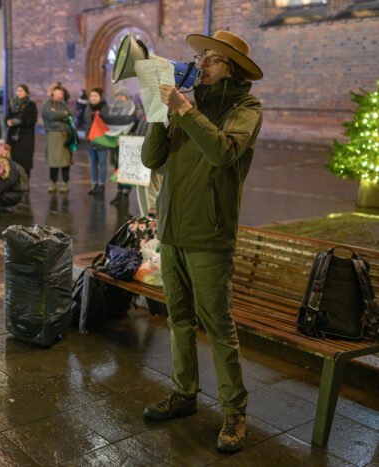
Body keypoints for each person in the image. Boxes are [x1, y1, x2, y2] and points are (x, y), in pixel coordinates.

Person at [140, 30, 263, 453]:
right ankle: (183, 394)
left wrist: (186, 110)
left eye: (213, 60)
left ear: (233, 69)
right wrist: (158, 110)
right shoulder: (186, 104)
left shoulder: (244, 107)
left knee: (217, 323)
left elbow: (223, 152)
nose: (203, 65)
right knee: (177, 318)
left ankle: (234, 411)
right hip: (172, 230)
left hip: (209, 234)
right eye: (203, 57)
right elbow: (151, 159)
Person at [107, 87, 137, 204]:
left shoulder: (131, 108)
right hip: (114, 140)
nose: (119, 97)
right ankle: (120, 190)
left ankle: (125, 190)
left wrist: (123, 135)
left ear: (127, 96)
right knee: (116, 165)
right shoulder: (113, 108)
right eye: (117, 95)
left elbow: (131, 123)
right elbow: (111, 122)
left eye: (122, 95)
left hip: (126, 141)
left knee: (125, 166)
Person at [42, 84, 72, 193]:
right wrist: (62, 115)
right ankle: (53, 182)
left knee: (65, 161)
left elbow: (69, 116)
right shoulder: (47, 104)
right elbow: (49, 115)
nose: (61, 94)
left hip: (64, 135)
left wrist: (59, 115)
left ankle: (65, 182)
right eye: (59, 92)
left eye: (62, 92)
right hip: (52, 135)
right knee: (53, 161)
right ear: (53, 92)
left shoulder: (64, 105)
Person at [6, 84, 37, 180]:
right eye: (18, 91)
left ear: (26, 93)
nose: (19, 93)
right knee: (13, 162)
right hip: (13, 139)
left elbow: (31, 121)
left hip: (25, 138)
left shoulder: (31, 105)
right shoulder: (12, 104)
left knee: (24, 163)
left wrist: (16, 122)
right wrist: (7, 121)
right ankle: (15, 183)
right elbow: (7, 117)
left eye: (21, 91)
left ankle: (25, 182)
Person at [83, 87, 110, 195]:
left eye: (95, 96)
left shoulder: (105, 108)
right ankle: (94, 184)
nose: (93, 98)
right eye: (91, 96)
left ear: (100, 97)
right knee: (92, 163)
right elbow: (86, 122)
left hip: (102, 140)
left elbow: (107, 122)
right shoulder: (88, 108)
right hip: (91, 139)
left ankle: (102, 185)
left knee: (102, 163)